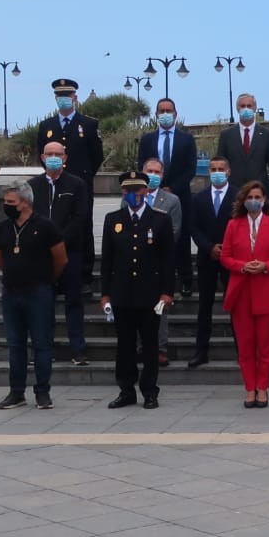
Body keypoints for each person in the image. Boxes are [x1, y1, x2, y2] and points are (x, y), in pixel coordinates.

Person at [101, 171, 176, 409]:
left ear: (146, 191)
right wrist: (105, 294)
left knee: (150, 345)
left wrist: (167, 292)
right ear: (123, 192)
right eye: (129, 191)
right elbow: (107, 261)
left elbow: (167, 260)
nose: (134, 195)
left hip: (150, 294)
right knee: (124, 346)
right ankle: (126, 390)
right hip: (122, 293)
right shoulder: (113, 219)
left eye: (138, 190)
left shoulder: (160, 220)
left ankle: (150, 391)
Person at [0, 180, 67, 410]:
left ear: (25, 203)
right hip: (11, 293)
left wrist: (46, 280)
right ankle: (16, 392)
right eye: (5, 202)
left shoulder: (45, 226)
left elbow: (60, 259)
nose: (6, 206)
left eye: (10, 202)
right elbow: (0, 259)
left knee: (41, 344)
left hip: (38, 293)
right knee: (15, 345)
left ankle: (42, 392)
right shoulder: (2, 228)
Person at [220, 180, 269, 408]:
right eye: (250, 197)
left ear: (264, 201)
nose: (254, 201)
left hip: (267, 291)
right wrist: (242, 266)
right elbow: (225, 256)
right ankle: (249, 388)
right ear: (244, 200)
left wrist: (266, 266)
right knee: (246, 345)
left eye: (258, 197)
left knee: (265, 345)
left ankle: (263, 388)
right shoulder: (233, 225)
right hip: (241, 292)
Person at [36, 78, 103, 284]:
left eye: (67, 95)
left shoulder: (89, 125)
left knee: (83, 227)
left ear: (75, 97)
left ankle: (84, 275)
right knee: (54, 224)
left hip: (80, 186)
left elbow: (96, 156)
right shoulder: (46, 126)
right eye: (59, 96)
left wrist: (83, 178)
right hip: (53, 184)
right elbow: (41, 153)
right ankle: (54, 273)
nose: (63, 99)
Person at [30, 141, 91, 366]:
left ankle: (78, 348)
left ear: (65, 158)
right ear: (43, 157)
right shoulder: (32, 185)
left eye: (58, 154)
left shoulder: (77, 185)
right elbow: (27, 216)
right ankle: (44, 347)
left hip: (70, 252)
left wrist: (58, 241)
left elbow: (80, 217)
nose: (54, 157)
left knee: (73, 301)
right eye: (50, 154)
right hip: (40, 255)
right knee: (43, 302)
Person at [137, 97, 198, 295]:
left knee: (181, 235)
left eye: (168, 110)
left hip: (180, 196)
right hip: (151, 194)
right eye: (161, 111)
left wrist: (172, 188)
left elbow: (191, 168)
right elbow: (142, 166)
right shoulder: (148, 139)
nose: (165, 114)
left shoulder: (186, 139)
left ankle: (186, 278)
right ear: (156, 115)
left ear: (175, 113)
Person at [186, 157, 239, 368]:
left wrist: (226, 248)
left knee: (235, 305)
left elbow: (241, 225)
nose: (217, 172)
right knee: (204, 307)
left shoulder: (238, 196)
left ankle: (241, 350)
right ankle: (201, 351)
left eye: (221, 169)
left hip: (231, 258)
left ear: (228, 172)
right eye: (213, 169)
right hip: (207, 258)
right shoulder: (199, 198)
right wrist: (209, 248)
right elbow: (194, 228)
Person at [142, 157, 185, 367]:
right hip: (136, 262)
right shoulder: (132, 197)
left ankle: (160, 348)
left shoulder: (172, 201)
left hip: (160, 261)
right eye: (149, 171)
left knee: (160, 307)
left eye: (157, 172)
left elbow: (175, 232)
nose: (153, 175)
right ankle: (141, 347)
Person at [214, 92, 269, 204]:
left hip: (259, 193)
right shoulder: (226, 135)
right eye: (243, 106)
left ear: (255, 108)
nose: (246, 109)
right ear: (237, 108)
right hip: (234, 194)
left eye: (249, 106)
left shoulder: (267, 135)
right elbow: (219, 164)